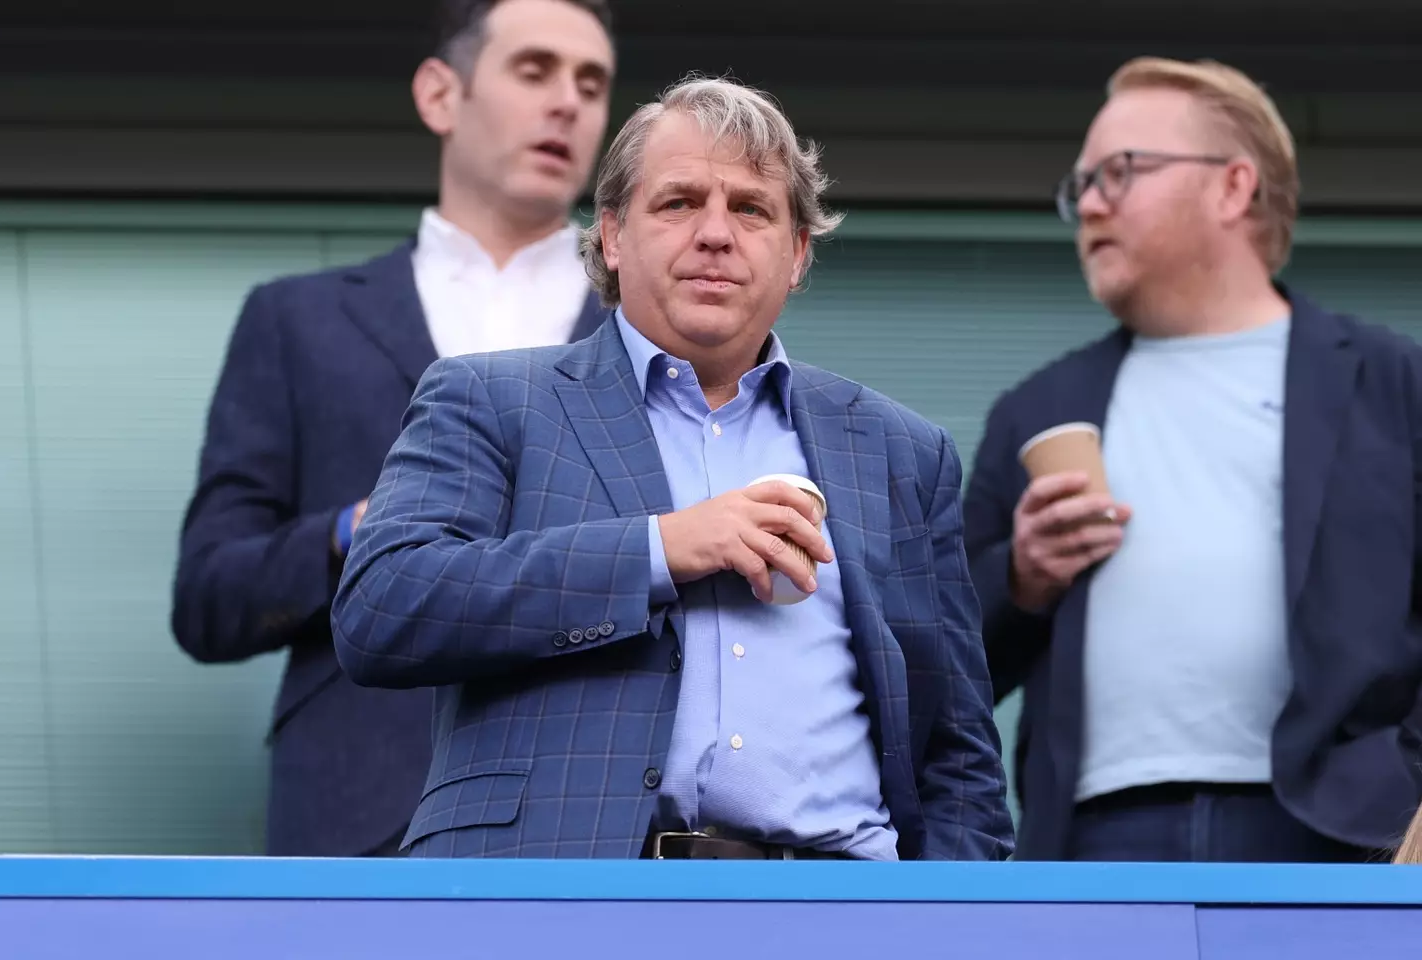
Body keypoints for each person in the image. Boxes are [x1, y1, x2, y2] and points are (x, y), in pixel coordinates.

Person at [331, 75, 1015, 861]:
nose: (716, 234)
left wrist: (945, 924)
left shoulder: (902, 453)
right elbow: (382, 610)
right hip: (561, 903)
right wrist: (662, 549)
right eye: (679, 202)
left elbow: (959, 754)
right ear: (614, 236)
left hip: (842, 910)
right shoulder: (489, 399)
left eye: (752, 209)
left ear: (796, 254)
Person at [170, 0, 616, 858]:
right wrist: (356, 533)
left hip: (595, 810)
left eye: (591, 84)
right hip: (359, 809)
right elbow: (207, 598)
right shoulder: (295, 321)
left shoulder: (650, 336)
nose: (568, 102)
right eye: (534, 71)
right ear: (440, 95)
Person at [963, 56, 1422, 862]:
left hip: (1346, 839)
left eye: (1120, 172)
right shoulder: (1037, 411)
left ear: (1233, 187)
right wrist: (1022, 577)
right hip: (1095, 844)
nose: (1090, 204)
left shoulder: (1391, 385)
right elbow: (943, 663)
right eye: (1082, 186)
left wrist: (1402, 782)